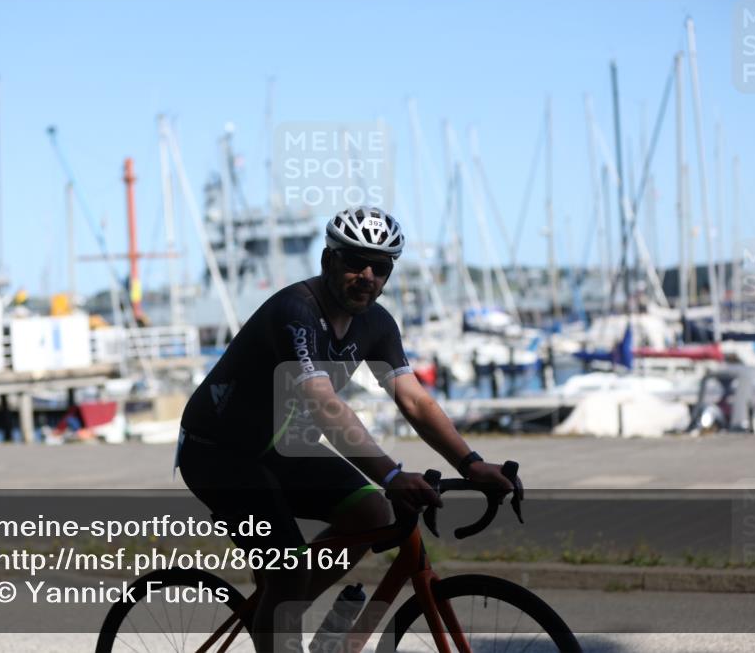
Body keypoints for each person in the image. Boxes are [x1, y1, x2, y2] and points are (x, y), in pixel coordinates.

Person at [176, 206, 517, 652]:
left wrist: (471, 464)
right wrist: (392, 476)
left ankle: (275, 617)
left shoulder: (376, 324)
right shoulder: (295, 312)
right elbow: (323, 404)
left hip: (279, 447)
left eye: (381, 267)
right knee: (290, 569)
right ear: (327, 260)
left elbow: (414, 399)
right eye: (355, 261)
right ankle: (278, 623)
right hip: (218, 452)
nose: (368, 275)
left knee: (371, 513)